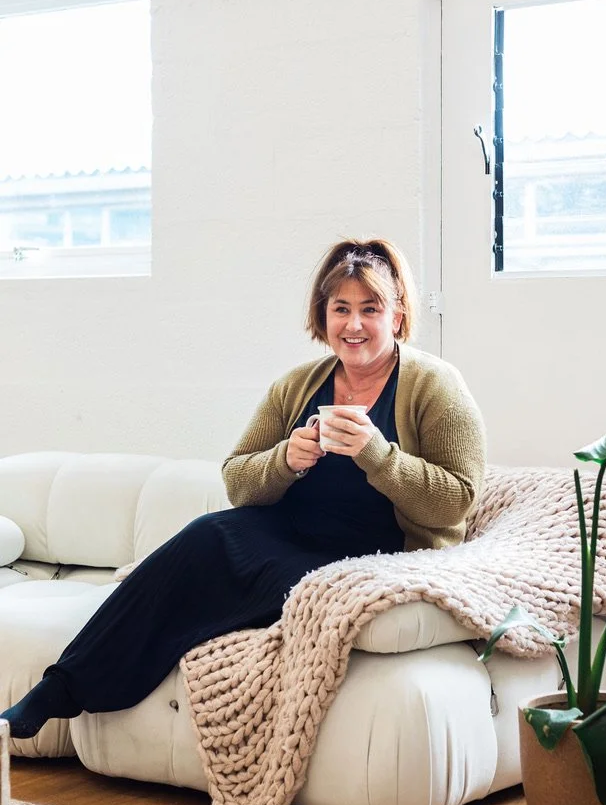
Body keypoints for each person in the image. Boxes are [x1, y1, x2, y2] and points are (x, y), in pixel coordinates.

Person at [1, 237, 486, 740]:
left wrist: (376, 453)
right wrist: (286, 460)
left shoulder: (435, 385)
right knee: (205, 536)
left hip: (376, 550)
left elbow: (456, 499)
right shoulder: (297, 385)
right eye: (340, 309)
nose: (355, 324)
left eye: (371, 309)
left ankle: (118, 674)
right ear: (323, 317)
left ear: (398, 315)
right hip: (290, 530)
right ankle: (59, 688)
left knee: (266, 581)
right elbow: (237, 478)